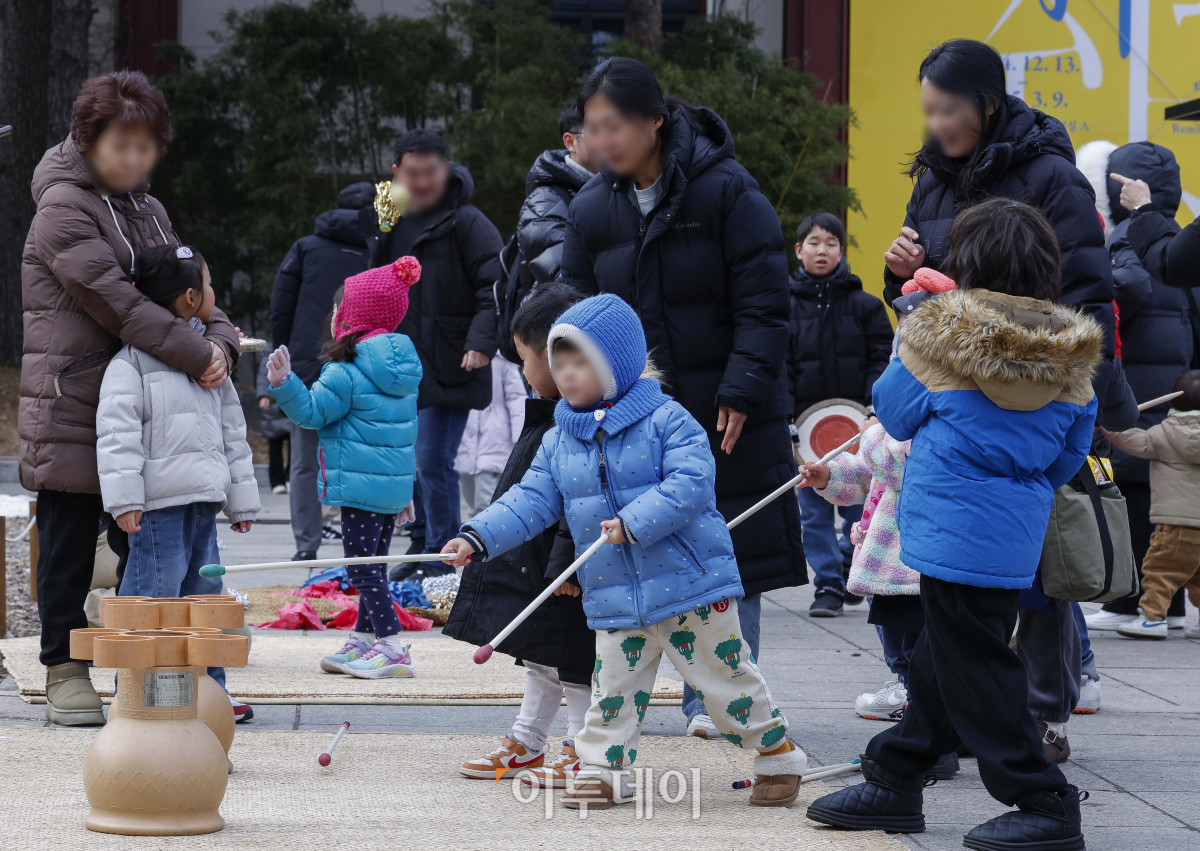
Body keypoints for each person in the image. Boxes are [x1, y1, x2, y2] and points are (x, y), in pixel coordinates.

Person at [807, 198, 1099, 850]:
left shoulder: (940, 338)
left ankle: (1043, 798)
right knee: (946, 654)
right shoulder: (1072, 358)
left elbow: (892, 412)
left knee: (982, 668)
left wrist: (916, 332)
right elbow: (1067, 456)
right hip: (1013, 536)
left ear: (968, 264)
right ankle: (897, 771)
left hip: (942, 527)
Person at [443, 294, 809, 809]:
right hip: (614, 596)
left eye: (580, 363)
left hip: (691, 588)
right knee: (611, 692)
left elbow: (692, 480)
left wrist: (635, 523)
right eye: (559, 363)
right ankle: (603, 771)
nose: (565, 375)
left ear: (616, 364)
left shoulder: (667, 420)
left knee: (726, 684)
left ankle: (777, 753)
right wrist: (476, 538)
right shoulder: (559, 439)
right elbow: (528, 501)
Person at [559, 56, 805, 742]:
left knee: (725, 548)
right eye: (592, 127)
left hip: (722, 405)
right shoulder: (590, 207)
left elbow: (765, 300)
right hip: (631, 415)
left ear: (655, 121)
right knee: (636, 543)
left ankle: (723, 705)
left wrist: (744, 387)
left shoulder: (726, 191)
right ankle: (642, 708)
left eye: (615, 125)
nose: (602, 139)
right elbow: (575, 312)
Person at [20, 70, 239, 726]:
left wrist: (220, 336)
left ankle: (161, 672)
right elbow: (119, 306)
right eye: (122, 145)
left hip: (148, 411)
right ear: (89, 139)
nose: (134, 159)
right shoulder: (63, 206)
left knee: (151, 549)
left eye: (146, 147)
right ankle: (64, 667)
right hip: (72, 403)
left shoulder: (147, 207)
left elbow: (189, 288)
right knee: (66, 548)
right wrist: (200, 352)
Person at [881, 40, 1116, 407]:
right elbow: (916, 301)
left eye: (948, 110)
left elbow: (1086, 293)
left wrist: (1084, 405)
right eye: (929, 112)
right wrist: (903, 272)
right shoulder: (931, 183)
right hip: (951, 391)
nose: (936, 124)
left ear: (989, 103)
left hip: (1033, 394)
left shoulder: (1053, 177)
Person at [95, 244, 260, 720]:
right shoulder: (132, 364)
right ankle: (138, 694)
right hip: (157, 509)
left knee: (204, 601)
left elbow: (232, 430)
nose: (213, 295)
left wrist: (241, 500)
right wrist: (124, 500)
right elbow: (117, 436)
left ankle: (209, 695)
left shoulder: (211, 363)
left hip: (203, 503)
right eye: (208, 287)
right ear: (190, 298)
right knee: (152, 597)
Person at [443, 284, 595, 788]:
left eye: (525, 358)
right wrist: (478, 537)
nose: (522, 369)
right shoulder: (552, 414)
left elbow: (584, 502)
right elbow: (527, 498)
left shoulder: (585, 425)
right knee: (541, 656)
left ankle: (582, 749)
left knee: (576, 663)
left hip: (574, 572)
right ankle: (527, 742)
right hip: (541, 563)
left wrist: (568, 565)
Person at [801, 268, 955, 724]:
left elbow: (900, 461)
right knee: (890, 624)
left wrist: (871, 437)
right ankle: (903, 682)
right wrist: (828, 475)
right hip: (886, 545)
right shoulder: (897, 402)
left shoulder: (942, 399)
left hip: (916, 548)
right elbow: (868, 474)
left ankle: (919, 693)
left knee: (918, 630)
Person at [267, 257, 423, 679]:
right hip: (388, 491)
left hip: (357, 487)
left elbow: (312, 414)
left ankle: (392, 646)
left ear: (351, 317)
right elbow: (403, 436)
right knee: (374, 565)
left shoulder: (345, 371)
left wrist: (285, 383)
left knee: (361, 569)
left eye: (339, 308)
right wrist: (406, 490)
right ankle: (363, 639)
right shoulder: (403, 372)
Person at [362, 129, 501, 569]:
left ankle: (444, 555)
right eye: (413, 173)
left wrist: (481, 341)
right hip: (399, 364)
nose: (423, 182)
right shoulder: (391, 217)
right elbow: (373, 282)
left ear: (446, 169)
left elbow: (495, 285)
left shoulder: (468, 222)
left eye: (431, 172)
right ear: (396, 172)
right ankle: (421, 542)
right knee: (407, 460)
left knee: (433, 462)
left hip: (450, 362)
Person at [1078, 145, 1194, 636]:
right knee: (1177, 497)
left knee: (1133, 489)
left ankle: (1132, 603)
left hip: (1138, 381)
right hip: (1178, 384)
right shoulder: (1180, 239)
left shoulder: (1126, 237)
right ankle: (1171, 604)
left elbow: (1130, 289)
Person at [786, 212, 893, 616]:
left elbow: (881, 358)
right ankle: (827, 583)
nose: (822, 250)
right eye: (814, 242)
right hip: (804, 433)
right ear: (799, 250)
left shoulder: (865, 305)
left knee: (859, 501)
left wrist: (873, 406)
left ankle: (853, 561)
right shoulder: (782, 305)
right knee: (812, 511)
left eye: (831, 243)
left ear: (841, 252)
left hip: (858, 428)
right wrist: (787, 415)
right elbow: (778, 365)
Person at [270, 182, 374, 559]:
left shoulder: (306, 248)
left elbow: (281, 304)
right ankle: (361, 547)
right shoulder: (376, 250)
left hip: (307, 362)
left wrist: (283, 349)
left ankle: (306, 546)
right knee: (361, 454)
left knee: (303, 459)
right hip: (361, 362)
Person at [1103, 370, 1200, 639]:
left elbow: (1134, 440)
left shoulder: (1165, 435)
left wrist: (1107, 427)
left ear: (1175, 404)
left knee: (1160, 572)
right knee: (1197, 576)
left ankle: (1152, 619)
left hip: (1175, 525)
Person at [453, 354, 527, 518]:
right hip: (466, 438)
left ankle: (483, 532)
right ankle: (475, 527)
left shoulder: (502, 362)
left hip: (494, 438)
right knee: (469, 495)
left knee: (485, 500)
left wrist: (519, 435)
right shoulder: (460, 356)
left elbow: (516, 398)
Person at [257, 352, 291, 494]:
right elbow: (263, 376)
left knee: (296, 445)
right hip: (273, 405)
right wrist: (263, 395)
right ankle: (277, 481)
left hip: (291, 402)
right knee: (275, 445)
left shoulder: (297, 345)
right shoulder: (271, 350)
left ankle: (290, 478)